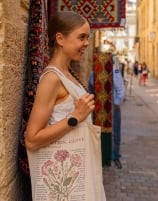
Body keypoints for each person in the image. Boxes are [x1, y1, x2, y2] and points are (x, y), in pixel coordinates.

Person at [24, 11, 106, 200]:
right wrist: (75, 117)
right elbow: (32, 139)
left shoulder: (67, 74)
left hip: (80, 176)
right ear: (60, 38)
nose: (86, 43)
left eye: (87, 38)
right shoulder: (51, 79)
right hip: (66, 185)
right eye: (81, 37)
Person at [112, 55, 126, 169]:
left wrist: (116, 103)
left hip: (113, 107)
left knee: (115, 131)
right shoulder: (94, 71)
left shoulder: (114, 70)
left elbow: (120, 88)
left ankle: (115, 155)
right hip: (102, 108)